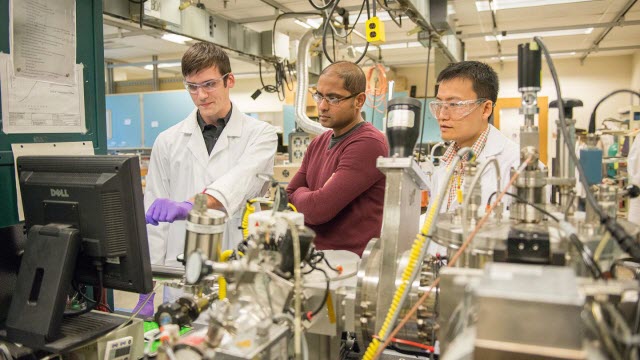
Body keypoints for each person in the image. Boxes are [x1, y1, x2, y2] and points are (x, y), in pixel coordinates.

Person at [145, 42, 278, 267]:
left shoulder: (260, 135)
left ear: (230, 81)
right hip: (181, 266)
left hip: (237, 262)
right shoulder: (167, 141)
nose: (201, 95)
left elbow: (240, 181)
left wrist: (189, 206)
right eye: (192, 87)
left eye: (209, 84)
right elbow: (155, 223)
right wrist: (146, 286)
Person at [286, 61, 389, 257]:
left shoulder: (368, 144)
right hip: (314, 258)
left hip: (349, 264)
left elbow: (318, 210)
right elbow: (288, 195)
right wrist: (306, 196)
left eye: (333, 98)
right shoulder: (319, 142)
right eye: (319, 96)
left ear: (359, 101)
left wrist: (303, 194)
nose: (322, 106)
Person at [428, 61, 520, 213]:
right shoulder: (446, 163)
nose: (442, 116)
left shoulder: (517, 165)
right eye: (439, 105)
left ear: (485, 109)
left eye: (454, 105)